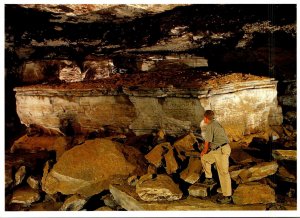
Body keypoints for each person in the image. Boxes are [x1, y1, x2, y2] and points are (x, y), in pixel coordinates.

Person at [200, 110, 232, 204]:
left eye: (204, 118)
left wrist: (203, 151)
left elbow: (207, 143)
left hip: (221, 151)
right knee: (205, 158)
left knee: (223, 173)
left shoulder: (210, 126)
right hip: (217, 150)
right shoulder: (216, 123)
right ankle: (209, 178)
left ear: (206, 118)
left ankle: (227, 196)